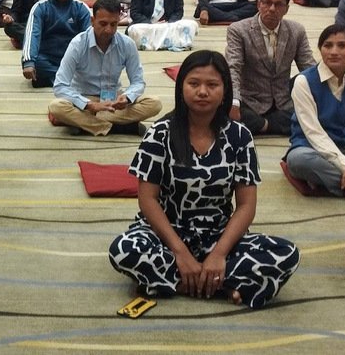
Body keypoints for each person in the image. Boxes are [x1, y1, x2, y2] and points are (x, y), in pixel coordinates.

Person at [108, 50, 300, 309]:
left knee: (287, 252)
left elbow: (246, 206)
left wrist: (219, 254)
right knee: (124, 249)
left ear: (225, 90)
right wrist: (180, 252)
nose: (202, 92)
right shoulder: (160, 133)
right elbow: (148, 200)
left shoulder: (240, 136)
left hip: (218, 236)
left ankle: (180, 281)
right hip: (166, 234)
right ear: (181, 87)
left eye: (212, 85)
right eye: (194, 83)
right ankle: (219, 284)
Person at [285, 24, 345, 197]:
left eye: (342, 46)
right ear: (320, 49)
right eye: (328, 45)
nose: (334, 51)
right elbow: (313, 132)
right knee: (298, 161)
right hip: (312, 147)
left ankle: (338, 182)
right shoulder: (304, 81)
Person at [48, 0, 162, 136]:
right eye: (103, 24)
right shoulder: (78, 44)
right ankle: (119, 128)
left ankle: (87, 124)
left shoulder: (127, 44)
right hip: (85, 101)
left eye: (113, 24)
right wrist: (90, 104)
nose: (108, 30)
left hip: (113, 101)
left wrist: (126, 97)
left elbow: (138, 82)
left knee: (154, 103)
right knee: (57, 107)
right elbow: (60, 86)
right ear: (92, 21)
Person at [225, 0, 316, 136]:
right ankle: (280, 124)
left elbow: (308, 66)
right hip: (250, 100)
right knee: (223, 107)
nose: (272, 9)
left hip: (284, 100)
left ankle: (263, 125)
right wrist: (234, 101)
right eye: (267, 3)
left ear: (286, 9)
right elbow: (233, 67)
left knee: (312, 95)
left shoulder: (296, 31)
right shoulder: (238, 30)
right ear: (258, 4)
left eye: (278, 4)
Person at [21, 0, 91, 88]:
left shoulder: (81, 8)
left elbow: (90, 38)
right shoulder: (40, 7)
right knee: (34, 64)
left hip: (73, 59)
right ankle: (68, 79)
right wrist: (28, 62)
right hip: (47, 59)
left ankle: (53, 79)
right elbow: (32, 35)